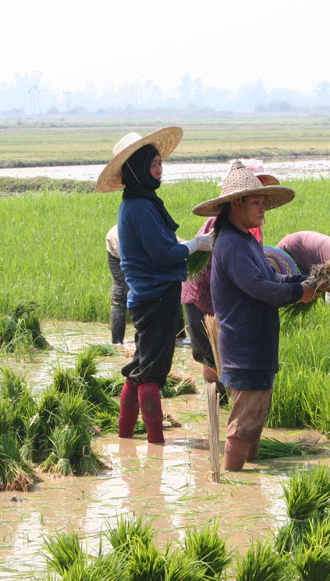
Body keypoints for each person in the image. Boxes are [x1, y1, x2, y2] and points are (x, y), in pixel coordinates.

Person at [193, 161, 317, 471]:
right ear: (236, 204)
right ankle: (233, 488)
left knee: (253, 420)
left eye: (264, 203)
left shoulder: (245, 239)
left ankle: (250, 481)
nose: (263, 209)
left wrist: (304, 282)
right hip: (245, 349)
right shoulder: (233, 244)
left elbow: (271, 280)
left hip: (255, 347)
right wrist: (298, 293)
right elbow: (260, 289)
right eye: (256, 202)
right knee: (244, 424)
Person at [96, 126, 214, 444]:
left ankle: (125, 440)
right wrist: (196, 244)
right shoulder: (140, 207)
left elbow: (160, 248)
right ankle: (155, 444)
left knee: (139, 366)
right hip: (156, 297)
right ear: (136, 170)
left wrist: (187, 246)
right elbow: (163, 254)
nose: (159, 170)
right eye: (152, 165)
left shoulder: (140, 202)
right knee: (151, 373)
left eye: (160, 163)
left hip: (148, 296)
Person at [181, 160, 271, 399]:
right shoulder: (221, 224)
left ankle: (223, 413)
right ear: (238, 199)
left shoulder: (253, 226)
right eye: (254, 193)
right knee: (211, 357)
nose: (260, 200)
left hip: (224, 301)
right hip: (202, 298)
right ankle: (217, 413)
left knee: (224, 357)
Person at [105, 224, 128, 345]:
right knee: (121, 292)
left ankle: (178, 337)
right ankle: (117, 342)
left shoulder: (156, 224)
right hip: (118, 252)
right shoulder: (120, 238)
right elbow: (131, 263)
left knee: (168, 285)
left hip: (143, 250)